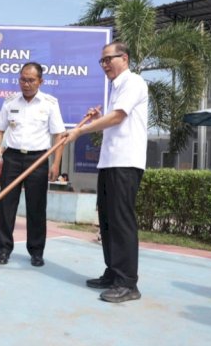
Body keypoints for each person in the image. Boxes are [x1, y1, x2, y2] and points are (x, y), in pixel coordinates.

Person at [63, 41, 148, 303]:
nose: (105, 65)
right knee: (108, 221)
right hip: (110, 162)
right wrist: (95, 115)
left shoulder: (133, 82)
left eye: (109, 59)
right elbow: (112, 115)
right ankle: (113, 273)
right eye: (102, 61)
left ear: (125, 58)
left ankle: (128, 283)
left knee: (122, 221)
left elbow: (117, 118)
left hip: (126, 162)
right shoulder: (116, 87)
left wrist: (80, 131)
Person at [0, 61, 65, 267]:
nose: (26, 84)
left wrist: (55, 164)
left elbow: (59, 135)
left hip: (38, 159)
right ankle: (4, 249)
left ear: (41, 81)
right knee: (7, 205)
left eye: (31, 80)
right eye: (23, 79)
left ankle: (36, 251)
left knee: (36, 207)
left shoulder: (49, 103)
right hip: (12, 158)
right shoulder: (10, 102)